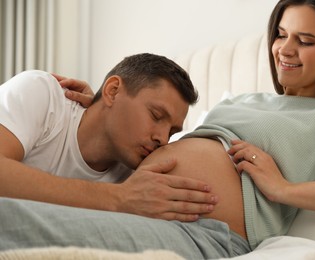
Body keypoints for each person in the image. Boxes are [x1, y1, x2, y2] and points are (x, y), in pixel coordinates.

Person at [1, 0, 315, 259]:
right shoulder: (240, 102)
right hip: (137, 212)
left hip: (202, 235)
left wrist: (283, 190)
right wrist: (103, 103)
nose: (284, 50)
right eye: (281, 35)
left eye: (305, 41)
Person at [0, 53, 219, 222]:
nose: (162, 139)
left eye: (172, 132)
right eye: (156, 115)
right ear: (113, 91)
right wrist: (118, 198)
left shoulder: (142, 179)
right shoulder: (44, 94)